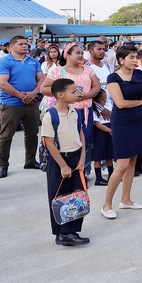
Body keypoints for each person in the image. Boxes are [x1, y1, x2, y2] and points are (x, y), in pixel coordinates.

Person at [102, 46, 142, 219]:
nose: (135, 60)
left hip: (138, 119)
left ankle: (126, 200)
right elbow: (121, 103)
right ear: (121, 59)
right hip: (122, 122)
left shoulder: (140, 74)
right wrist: (141, 102)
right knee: (122, 165)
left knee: (132, 161)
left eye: (136, 57)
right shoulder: (113, 77)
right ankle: (106, 204)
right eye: (131, 57)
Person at [40, 78, 90, 245]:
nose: (78, 94)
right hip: (60, 160)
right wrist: (63, 165)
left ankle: (72, 231)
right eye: (73, 91)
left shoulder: (75, 111)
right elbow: (49, 143)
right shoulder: (51, 116)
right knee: (59, 197)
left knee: (78, 196)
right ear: (60, 95)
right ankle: (61, 233)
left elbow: (81, 134)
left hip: (76, 158)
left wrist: (82, 159)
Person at [41, 43, 101, 177]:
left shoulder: (88, 69)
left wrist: (87, 95)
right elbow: (44, 89)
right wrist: (65, 95)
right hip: (67, 112)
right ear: (67, 55)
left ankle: (84, 170)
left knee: (86, 140)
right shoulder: (58, 71)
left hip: (86, 109)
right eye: (77, 53)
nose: (81, 55)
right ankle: (66, 168)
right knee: (69, 142)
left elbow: (96, 85)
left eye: (82, 52)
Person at [0, 36, 45, 177]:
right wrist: (22, 96)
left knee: (32, 133)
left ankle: (30, 160)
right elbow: (3, 84)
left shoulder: (33, 61)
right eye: (21, 44)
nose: (25, 46)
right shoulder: (3, 63)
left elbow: (41, 78)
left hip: (32, 103)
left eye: (26, 44)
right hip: (11, 104)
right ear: (11, 47)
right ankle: (3, 165)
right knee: (5, 136)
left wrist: (34, 93)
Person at [91, 89, 113, 186]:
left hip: (109, 130)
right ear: (95, 100)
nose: (104, 100)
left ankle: (111, 175)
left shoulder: (108, 105)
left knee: (109, 154)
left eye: (105, 98)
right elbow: (98, 124)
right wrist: (110, 131)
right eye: (102, 99)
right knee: (98, 156)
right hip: (100, 133)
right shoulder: (94, 110)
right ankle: (98, 178)